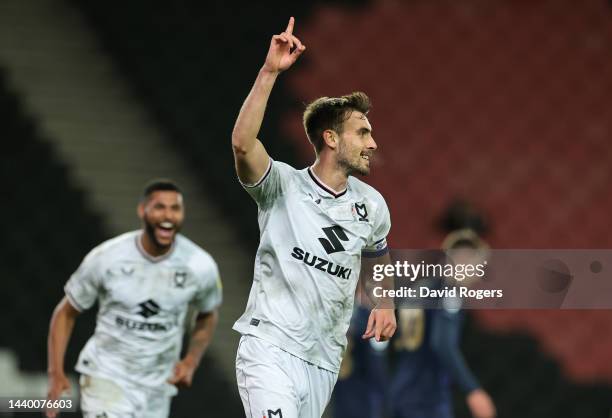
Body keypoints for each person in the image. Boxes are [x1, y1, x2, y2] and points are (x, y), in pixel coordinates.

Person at [231, 16, 396, 418]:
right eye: (363, 132)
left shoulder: (372, 205)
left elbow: (376, 255)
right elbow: (242, 144)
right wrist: (270, 71)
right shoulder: (281, 186)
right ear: (331, 138)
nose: (372, 143)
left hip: (323, 360)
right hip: (269, 348)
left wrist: (384, 302)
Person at [46, 179, 222, 418]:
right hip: (106, 377)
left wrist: (191, 361)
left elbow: (208, 313)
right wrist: (55, 373)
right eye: (159, 207)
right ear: (142, 210)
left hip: (157, 387)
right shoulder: (107, 258)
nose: (168, 215)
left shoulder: (199, 265)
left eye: (175, 208)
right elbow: (66, 312)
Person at [389, 229, 496, 418]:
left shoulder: (420, 289)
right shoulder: (450, 294)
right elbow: (442, 343)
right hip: (427, 399)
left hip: (402, 391)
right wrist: (473, 390)